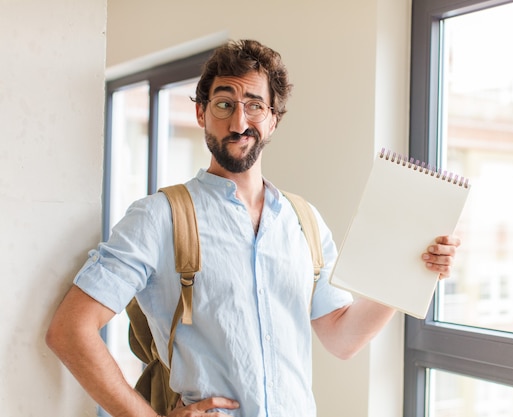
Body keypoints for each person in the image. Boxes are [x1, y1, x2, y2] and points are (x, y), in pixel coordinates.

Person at [46, 39, 461, 417]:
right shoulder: (159, 217)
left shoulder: (304, 222)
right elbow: (70, 330)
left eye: (254, 105)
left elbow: (342, 339)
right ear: (201, 113)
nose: (239, 120)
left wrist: (413, 267)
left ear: (273, 119)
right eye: (224, 103)